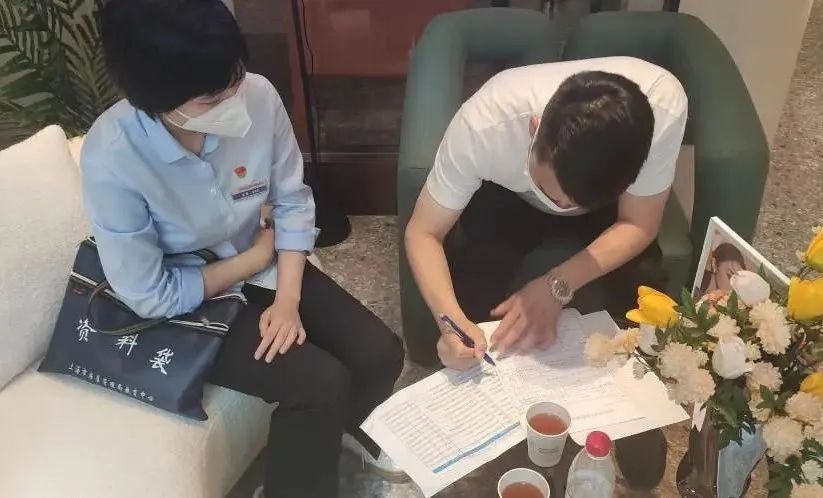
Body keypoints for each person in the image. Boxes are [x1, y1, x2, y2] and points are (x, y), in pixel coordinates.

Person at [84, 1, 404, 497]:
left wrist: (288, 299)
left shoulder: (258, 96)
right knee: (318, 384)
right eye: (214, 97)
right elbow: (149, 293)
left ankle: (337, 439)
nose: (236, 97)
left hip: (263, 264)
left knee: (380, 353)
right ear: (156, 99)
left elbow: (292, 201)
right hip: (186, 297)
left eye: (235, 75)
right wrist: (253, 259)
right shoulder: (113, 154)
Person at [405, 57, 687, 487]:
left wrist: (558, 284)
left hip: (611, 218)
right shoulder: (485, 125)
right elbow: (423, 232)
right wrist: (450, 323)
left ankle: (631, 416)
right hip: (507, 198)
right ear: (536, 128)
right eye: (557, 197)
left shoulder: (662, 106)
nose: (565, 209)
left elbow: (639, 223)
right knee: (483, 314)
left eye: (575, 203)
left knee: (633, 310)